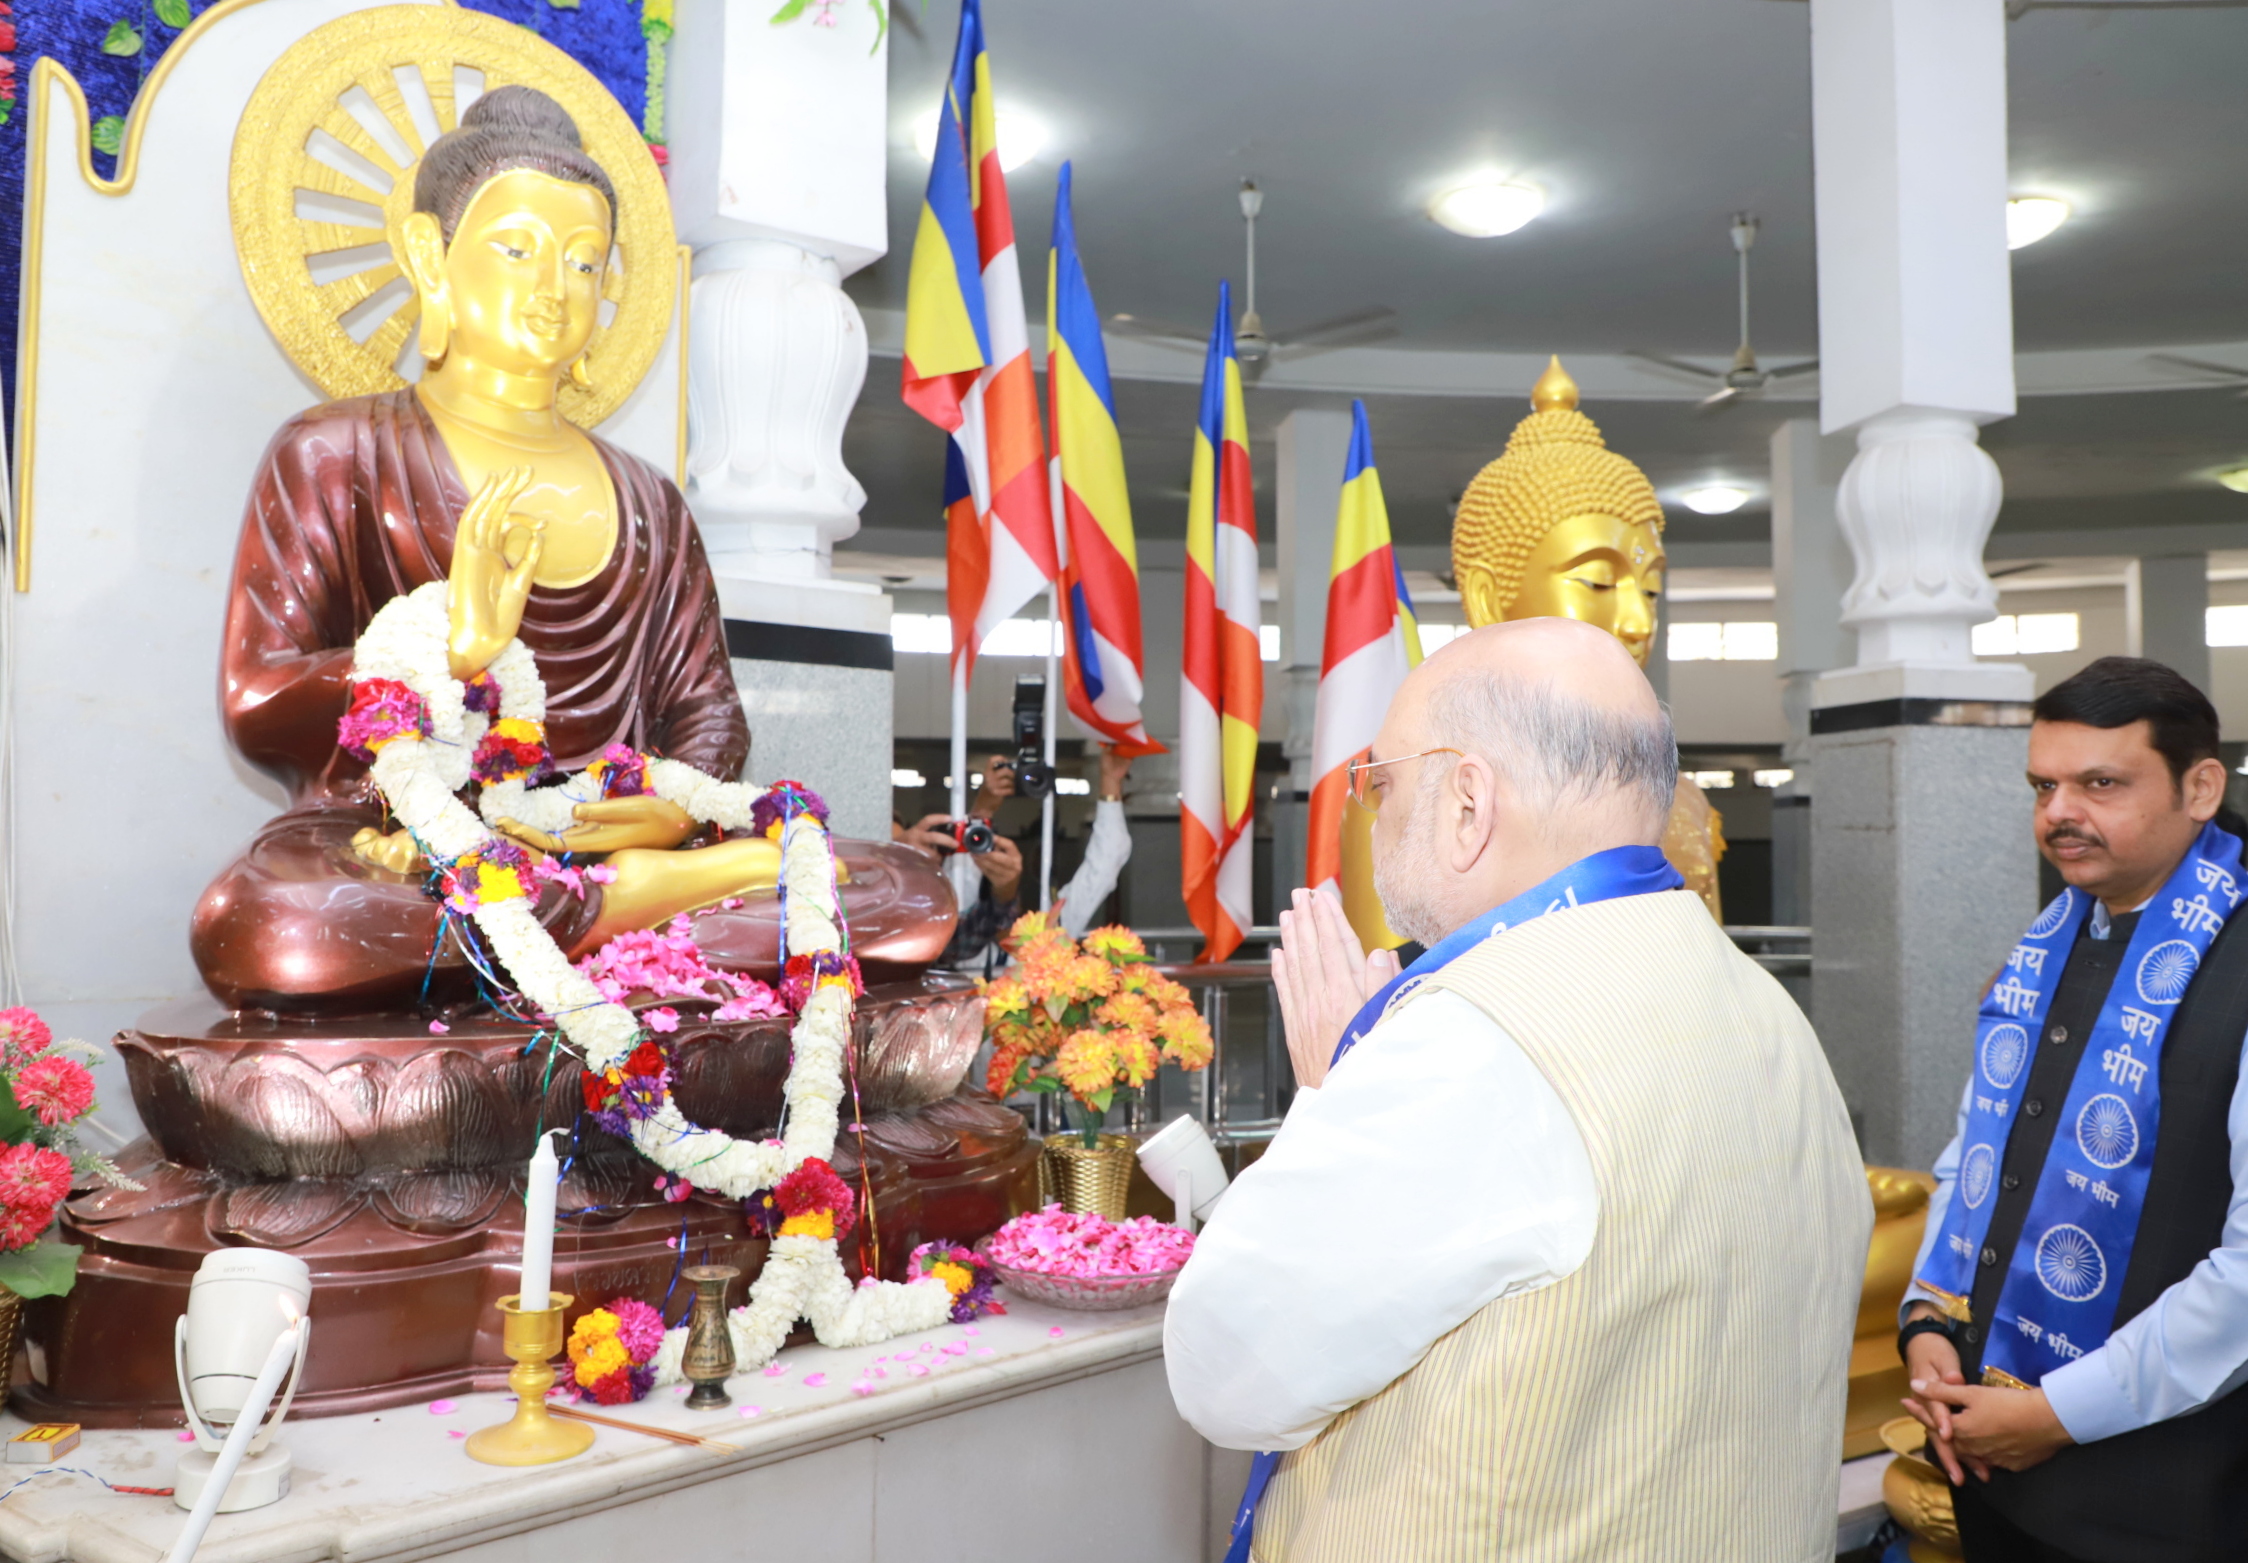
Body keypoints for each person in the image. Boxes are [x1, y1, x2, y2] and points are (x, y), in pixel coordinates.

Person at [1164, 617, 1868, 1563]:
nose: (1374, 817)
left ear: (1466, 802)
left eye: (1381, 784)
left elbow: (1229, 1364)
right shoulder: (1771, 1010)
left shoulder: (1473, 1042)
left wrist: (1338, 1088)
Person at [1898, 657, 2248, 1562]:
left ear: (2200, 786)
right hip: (1994, 1468)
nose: (2058, 812)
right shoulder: (2049, 942)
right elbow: (1975, 1152)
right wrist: (1928, 1320)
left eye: (2100, 782)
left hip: (2164, 1501)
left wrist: (2057, 1414)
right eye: (2043, 785)